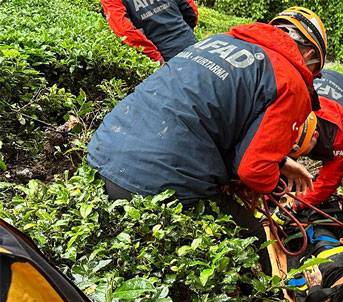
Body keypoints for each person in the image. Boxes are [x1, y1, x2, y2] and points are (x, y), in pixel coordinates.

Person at [87, 7, 328, 239]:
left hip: (103, 154)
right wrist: (274, 182)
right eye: (315, 71)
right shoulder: (291, 81)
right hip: (154, 182)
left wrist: (282, 162)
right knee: (254, 236)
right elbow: (253, 170)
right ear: (309, 55)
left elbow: (215, 112)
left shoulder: (218, 41)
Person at [275, 69, 343, 220]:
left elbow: (329, 180)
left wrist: (297, 204)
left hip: (341, 86)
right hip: (320, 84)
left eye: (302, 152)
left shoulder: (341, 131)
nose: (301, 157)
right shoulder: (293, 109)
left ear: (315, 136)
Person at [100, 0, 199, 63]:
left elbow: (126, 32)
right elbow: (191, 10)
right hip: (192, 44)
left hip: (166, 56)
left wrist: (157, 59)